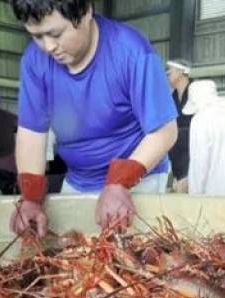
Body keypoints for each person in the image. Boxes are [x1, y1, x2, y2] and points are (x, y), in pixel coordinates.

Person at [9, 0, 178, 236]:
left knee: (136, 260)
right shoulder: (34, 61)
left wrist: (119, 182)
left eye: (55, 34)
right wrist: (30, 198)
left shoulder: (131, 50)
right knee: (71, 257)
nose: (48, 47)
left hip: (139, 179)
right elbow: (31, 135)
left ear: (86, 11)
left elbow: (164, 131)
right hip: (78, 179)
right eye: (37, 36)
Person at [166, 59, 192, 193]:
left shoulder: (196, 92)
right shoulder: (172, 97)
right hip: (177, 157)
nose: (167, 73)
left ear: (182, 71)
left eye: (170, 70)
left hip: (194, 156)